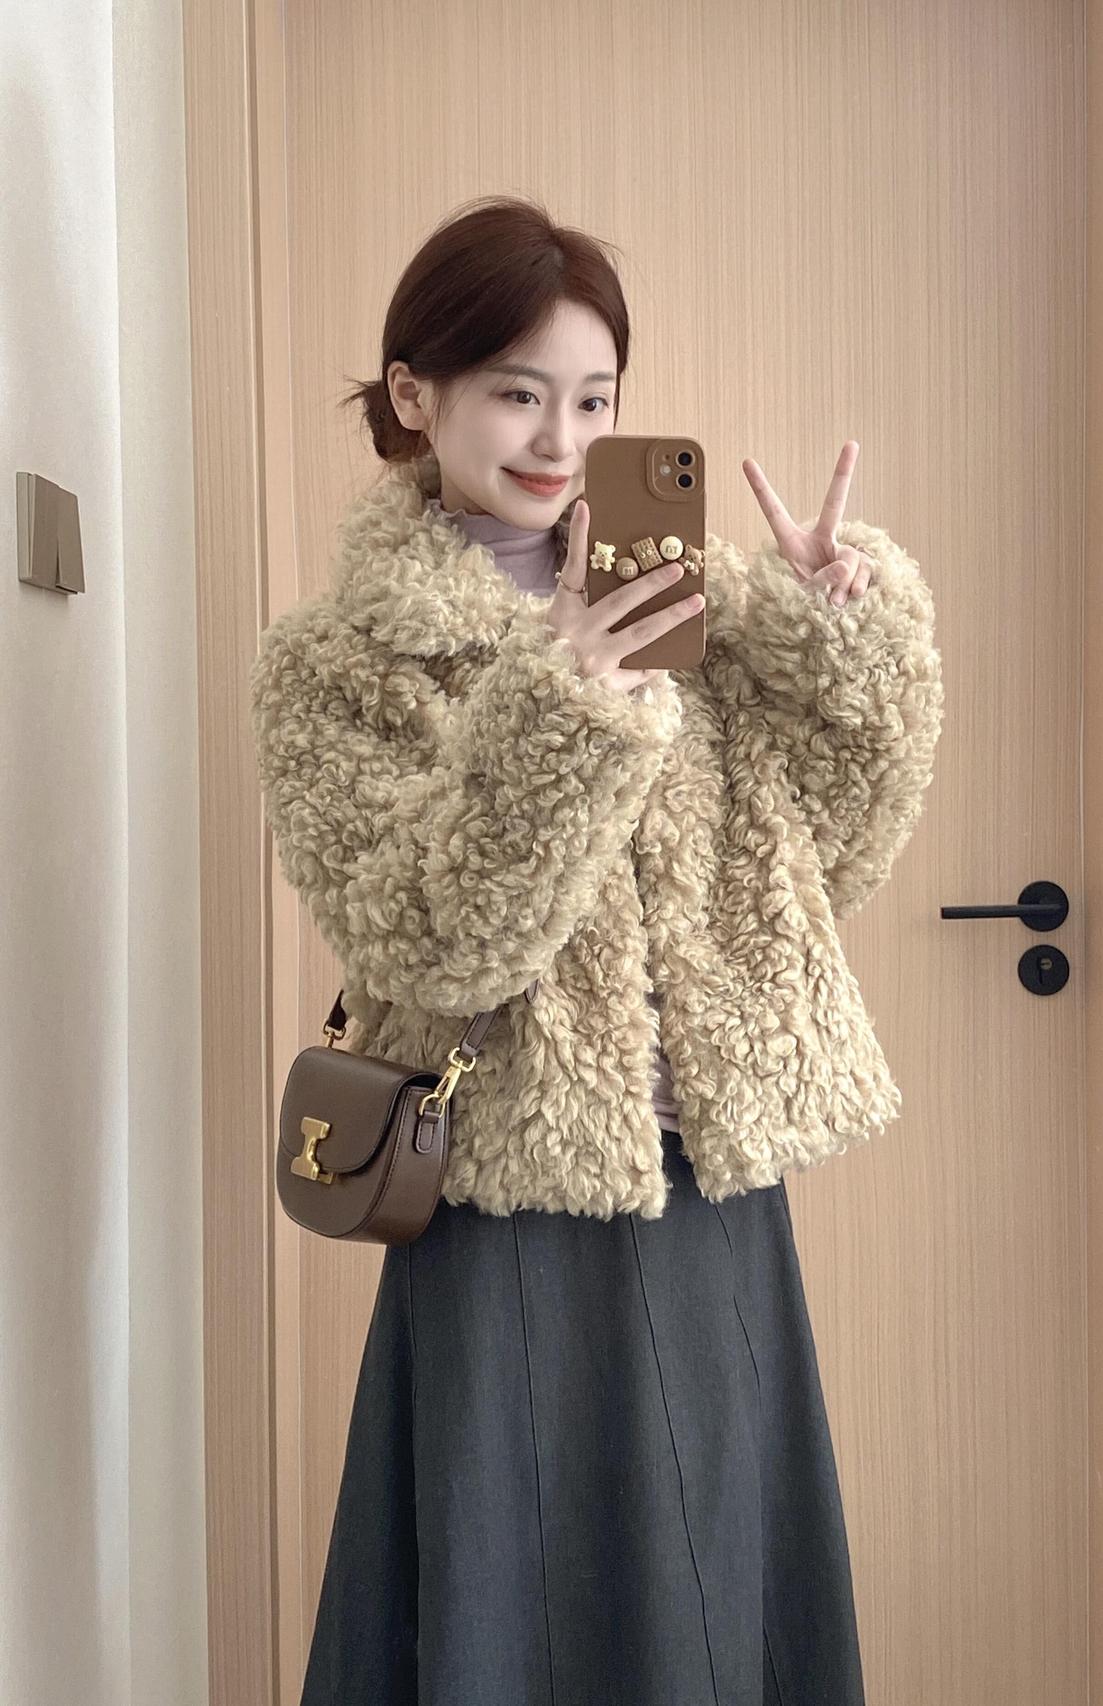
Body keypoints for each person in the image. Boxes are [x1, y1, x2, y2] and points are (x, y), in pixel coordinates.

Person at [249, 193, 944, 1706]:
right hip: (507, 1197)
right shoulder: (333, 667)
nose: (559, 438)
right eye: (518, 391)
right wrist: (563, 700)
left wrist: (838, 639)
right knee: (518, 1609)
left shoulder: (687, 604)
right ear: (416, 395)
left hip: (710, 1186)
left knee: (724, 1602)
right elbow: (431, 948)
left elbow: (826, 856)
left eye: (594, 398)